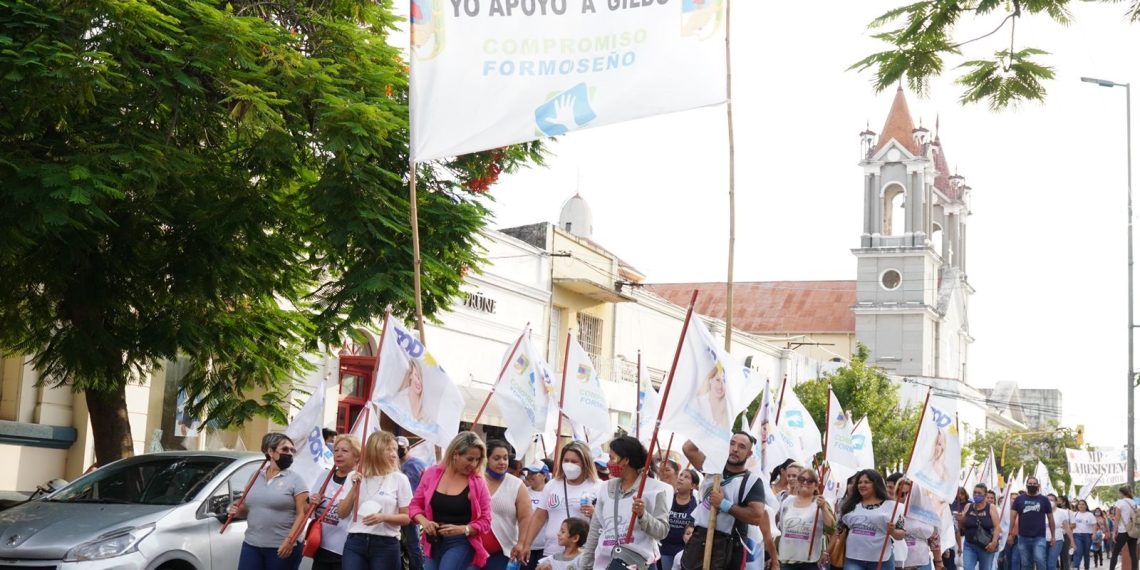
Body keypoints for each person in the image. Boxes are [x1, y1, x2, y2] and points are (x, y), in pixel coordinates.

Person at [680, 432, 779, 570]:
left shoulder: (752, 482)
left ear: (749, 454)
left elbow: (756, 516)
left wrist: (724, 504)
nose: (735, 449)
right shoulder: (713, 468)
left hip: (729, 547)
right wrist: (716, 428)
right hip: (699, 540)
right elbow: (688, 448)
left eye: (742, 446)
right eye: (732, 443)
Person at [580, 436, 671, 569]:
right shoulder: (605, 488)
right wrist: (585, 565)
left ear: (626, 460)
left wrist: (643, 515)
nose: (608, 463)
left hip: (639, 564)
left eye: (612, 458)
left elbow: (662, 531)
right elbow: (595, 531)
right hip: (606, 564)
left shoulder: (655, 490)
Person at [410, 431, 493, 570]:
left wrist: (464, 529)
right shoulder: (431, 474)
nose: (474, 464)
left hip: (461, 542)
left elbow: (486, 520)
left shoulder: (478, 483)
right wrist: (425, 522)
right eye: (469, 459)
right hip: (433, 541)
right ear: (455, 454)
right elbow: (414, 506)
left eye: (477, 459)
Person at [512, 442, 599, 566]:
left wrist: (594, 513)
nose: (569, 465)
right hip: (551, 553)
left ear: (585, 463)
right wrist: (527, 544)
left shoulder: (598, 486)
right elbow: (539, 517)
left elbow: (605, 521)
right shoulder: (552, 485)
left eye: (574, 462)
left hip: (582, 555)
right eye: (566, 460)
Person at [231, 433, 310, 570]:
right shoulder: (255, 476)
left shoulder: (296, 480)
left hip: (281, 547)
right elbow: (248, 509)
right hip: (252, 544)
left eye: (292, 450)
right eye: (285, 449)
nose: (290, 453)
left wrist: (290, 540)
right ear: (270, 451)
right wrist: (238, 511)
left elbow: (302, 514)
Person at [338, 431, 413, 570]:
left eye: (395, 449)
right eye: (388, 449)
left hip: (386, 544)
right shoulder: (354, 476)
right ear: (375, 451)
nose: (394, 454)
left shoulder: (400, 479)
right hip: (355, 542)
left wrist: (384, 517)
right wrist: (354, 488)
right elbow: (341, 513)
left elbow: (407, 517)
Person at [309, 434, 362, 570]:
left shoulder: (360, 480)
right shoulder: (325, 476)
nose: (338, 454)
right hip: (321, 545)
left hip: (346, 549)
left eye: (345, 451)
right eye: (336, 450)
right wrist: (312, 502)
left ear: (357, 456)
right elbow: (306, 510)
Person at [837, 469, 906, 570]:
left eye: (867, 482)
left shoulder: (894, 507)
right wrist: (827, 552)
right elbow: (838, 530)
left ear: (876, 484)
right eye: (859, 482)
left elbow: (901, 534)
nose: (862, 485)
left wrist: (893, 531)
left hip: (882, 561)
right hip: (853, 559)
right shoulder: (849, 506)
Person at [483, 440, 534, 570]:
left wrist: (521, 543)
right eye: (497, 458)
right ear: (486, 459)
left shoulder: (516, 485)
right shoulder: (476, 480)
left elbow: (526, 518)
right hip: (472, 552)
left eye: (505, 458)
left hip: (504, 553)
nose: (502, 462)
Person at [776, 466, 835, 570]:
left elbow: (832, 529)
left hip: (810, 562)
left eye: (810, 481)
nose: (805, 482)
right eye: (801, 479)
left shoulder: (820, 503)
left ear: (816, 486)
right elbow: (780, 530)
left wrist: (824, 508)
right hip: (786, 559)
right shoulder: (786, 502)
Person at [1011, 477, 1054, 570]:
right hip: (1023, 537)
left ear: (1038, 485)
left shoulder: (1044, 500)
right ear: (1026, 485)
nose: (1032, 485)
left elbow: (1050, 518)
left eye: (1034, 484)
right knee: (1026, 564)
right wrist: (1010, 534)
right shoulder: (1019, 499)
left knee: (1040, 560)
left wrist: (1053, 536)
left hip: (1039, 537)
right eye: (1030, 483)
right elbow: (1013, 517)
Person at [398, 435, 428, 570]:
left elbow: (424, 488)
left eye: (400, 448)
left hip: (411, 511)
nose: (398, 450)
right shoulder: (393, 464)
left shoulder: (417, 465)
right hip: (396, 510)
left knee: (413, 544)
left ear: (408, 448)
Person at [661, 468, 700, 570]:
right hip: (666, 548)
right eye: (681, 475)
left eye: (686, 477)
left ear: (693, 486)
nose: (681, 478)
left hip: (686, 550)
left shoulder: (697, 503)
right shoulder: (668, 498)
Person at [959, 483, 1000, 570]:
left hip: (986, 546)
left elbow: (997, 527)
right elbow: (962, 527)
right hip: (969, 544)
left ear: (985, 495)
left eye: (979, 493)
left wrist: (994, 542)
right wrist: (960, 520)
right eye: (974, 492)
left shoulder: (991, 508)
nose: (976, 495)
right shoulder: (968, 506)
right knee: (967, 568)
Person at [523, 463, 553, 570]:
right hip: (525, 546)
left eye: (533, 473)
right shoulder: (523, 492)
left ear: (544, 475)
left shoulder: (551, 494)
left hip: (544, 547)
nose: (529, 476)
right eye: (528, 473)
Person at [1110, 486, 1137, 570]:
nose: (1119, 494)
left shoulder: (1120, 502)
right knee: (1133, 554)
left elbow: (1117, 518)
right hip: (1133, 531)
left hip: (1123, 531)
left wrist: (1114, 532)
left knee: (1115, 553)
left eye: (1119, 493)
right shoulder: (1133, 502)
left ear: (1122, 493)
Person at [697, 362, 730, 428]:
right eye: (718, 380)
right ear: (711, 380)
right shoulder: (699, 401)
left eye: (724, 383)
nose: (720, 386)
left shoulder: (727, 412)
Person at [1047, 496, 1073, 570]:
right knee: (1043, 562)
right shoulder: (1041, 511)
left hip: (1057, 539)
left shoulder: (1062, 512)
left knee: (1051, 562)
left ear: (1056, 502)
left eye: (1051, 500)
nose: (1049, 502)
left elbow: (1067, 528)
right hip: (1043, 540)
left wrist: (1072, 542)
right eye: (1047, 500)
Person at [1071, 500, 1096, 570]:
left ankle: (1086, 568)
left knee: (1086, 554)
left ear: (1086, 506)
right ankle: (1076, 567)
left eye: (1083, 504)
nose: (1081, 506)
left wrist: (1094, 534)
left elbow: (1094, 524)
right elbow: (1071, 525)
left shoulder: (1090, 514)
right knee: (1078, 552)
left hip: (1087, 535)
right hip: (1077, 535)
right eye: (1079, 504)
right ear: (1077, 506)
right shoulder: (1074, 514)